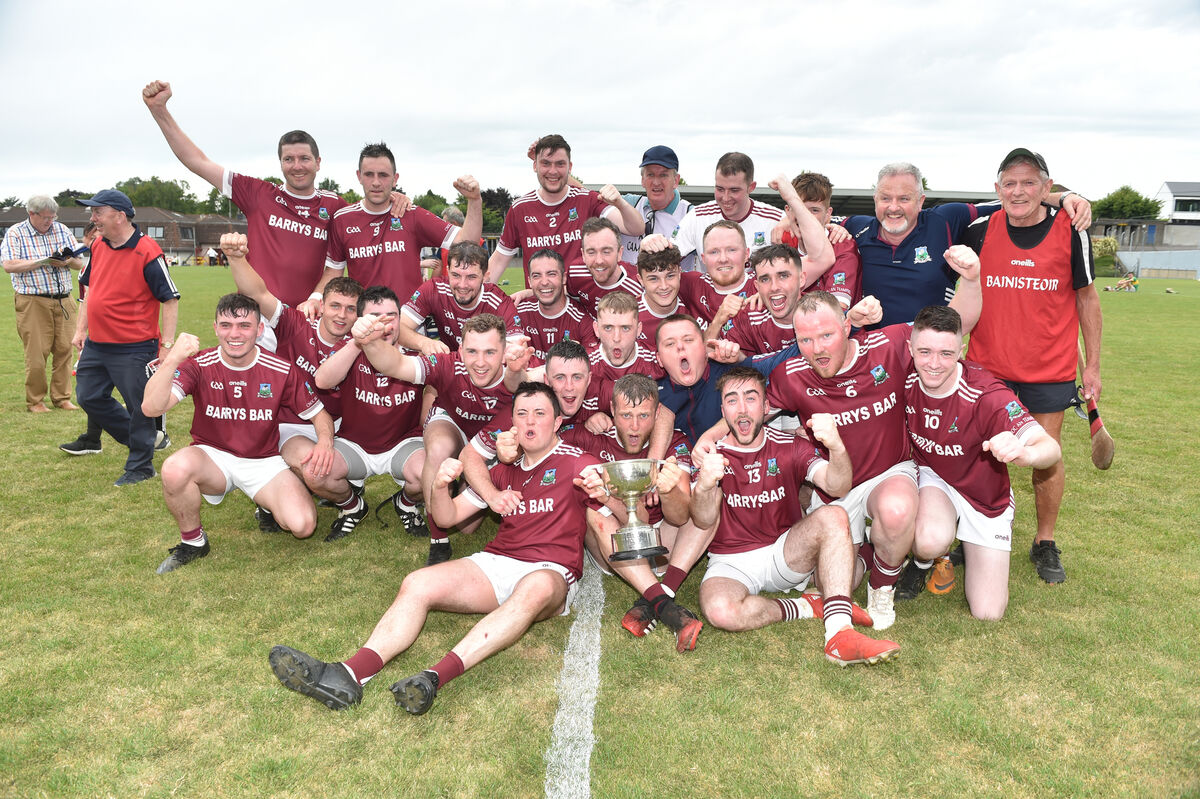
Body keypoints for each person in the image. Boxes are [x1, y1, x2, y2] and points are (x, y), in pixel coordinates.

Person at [268, 382, 610, 715]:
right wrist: (442, 486)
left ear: (557, 422)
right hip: (498, 562)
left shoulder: (579, 463)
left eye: (540, 413)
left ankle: (433, 678)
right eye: (522, 414)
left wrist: (607, 492)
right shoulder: (503, 470)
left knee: (534, 588)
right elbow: (448, 518)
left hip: (549, 573)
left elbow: (621, 515)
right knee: (418, 582)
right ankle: (348, 674)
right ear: (513, 423)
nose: (530, 421)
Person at [760, 256, 980, 630]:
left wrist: (972, 278)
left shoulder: (890, 344)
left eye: (827, 335)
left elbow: (957, 324)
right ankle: (862, 552)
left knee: (895, 511)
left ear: (847, 326)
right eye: (805, 340)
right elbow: (753, 418)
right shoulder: (790, 374)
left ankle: (883, 588)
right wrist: (711, 443)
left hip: (887, 472)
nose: (817, 348)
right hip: (835, 485)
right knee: (829, 584)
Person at [690, 367, 898, 666]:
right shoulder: (710, 455)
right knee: (721, 612)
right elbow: (703, 520)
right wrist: (706, 485)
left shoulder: (789, 444)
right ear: (723, 410)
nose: (743, 408)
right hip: (731, 560)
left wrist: (837, 447)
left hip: (784, 552)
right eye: (732, 400)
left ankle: (840, 634)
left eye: (751, 398)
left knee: (834, 516)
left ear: (765, 407)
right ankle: (804, 606)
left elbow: (838, 486)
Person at [960, 148, 1101, 584]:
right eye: (1010, 183)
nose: (1018, 191)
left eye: (1028, 183)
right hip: (987, 367)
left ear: (1046, 186)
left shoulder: (1070, 230)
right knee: (979, 453)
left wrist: (1092, 366)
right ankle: (974, 534)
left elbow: (1087, 301)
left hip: (1049, 368)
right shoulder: (980, 229)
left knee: (1046, 457)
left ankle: (1044, 541)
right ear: (997, 187)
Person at [141, 293, 335, 573]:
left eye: (244, 326)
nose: (234, 334)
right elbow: (151, 408)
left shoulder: (280, 369)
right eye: (226, 325)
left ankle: (265, 502)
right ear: (215, 328)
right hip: (213, 457)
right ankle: (193, 542)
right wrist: (171, 360)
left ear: (259, 330)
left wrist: (326, 442)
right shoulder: (199, 364)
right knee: (174, 468)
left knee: (302, 526)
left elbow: (319, 413)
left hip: (262, 461)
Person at [897, 305, 1062, 616]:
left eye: (946, 354)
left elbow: (1050, 448)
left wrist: (1025, 453)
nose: (934, 364)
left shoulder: (986, 394)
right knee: (929, 539)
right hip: (935, 478)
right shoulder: (902, 378)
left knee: (988, 612)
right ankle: (923, 562)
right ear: (910, 349)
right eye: (925, 352)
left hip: (984, 493)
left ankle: (970, 545)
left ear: (962, 350)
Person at [142, 80, 356, 308]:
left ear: (318, 162)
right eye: (288, 159)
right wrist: (159, 111)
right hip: (256, 317)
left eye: (304, 158)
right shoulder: (259, 194)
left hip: (306, 318)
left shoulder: (334, 205)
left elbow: (370, 216)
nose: (297, 166)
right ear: (280, 163)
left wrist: (397, 198)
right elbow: (197, 161)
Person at [353, 311, 528, 565]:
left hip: (489, 442)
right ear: (460, 348)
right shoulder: (447, 363)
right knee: (438, 450)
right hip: (453, 422)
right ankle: (438, 540)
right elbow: (396, 364)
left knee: (467, 527)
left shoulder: (515, 367)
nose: (480, 362)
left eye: (490, 352)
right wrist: (369, 342)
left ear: (504, 351)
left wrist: (516, 372)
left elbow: (523, 381)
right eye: (472, 352)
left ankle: (456, 484)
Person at [219, 232, 361, 532]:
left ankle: (349, 495)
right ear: (321, 305)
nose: (342, 315)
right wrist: (235, 258)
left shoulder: (359, 345)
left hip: (338, 426)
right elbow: (258, 294)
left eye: (351, 309)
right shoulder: (296, 324)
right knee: (311, 469)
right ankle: (350, 504)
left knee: (322, 471)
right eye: (335, 306)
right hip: (292, 423)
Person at [842, 162, 1091, 328]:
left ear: (920, 201)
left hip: (930, 360)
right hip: (872, 361)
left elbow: (1010, 201)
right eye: (885, 198)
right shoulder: (855, 228)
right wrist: (830, 228)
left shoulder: (945, 220)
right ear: (875, 199)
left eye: (904, 198)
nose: (893, 207)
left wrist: (1064, 196)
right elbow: (813, 222)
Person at [574, 374, 705, 652]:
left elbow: (681, 516)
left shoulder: (675, 442)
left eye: (644, 415)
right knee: (593, 513)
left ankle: (656, 598)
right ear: (611, 410)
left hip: (662, 543)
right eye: (626, 415)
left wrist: (669, 490)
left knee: (708, 502)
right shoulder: (592, 438)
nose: (634, 426)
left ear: (658, 413)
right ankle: (668, 610)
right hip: (614, 547)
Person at [73, 189, 179, 487]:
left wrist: (167, 345)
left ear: (119, 216)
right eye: (92, 213)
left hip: (134, 347)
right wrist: (81, 330)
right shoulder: (98, 246)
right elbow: (90, 289)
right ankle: (145, 439)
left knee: (140, 406)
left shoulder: (148, 251)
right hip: (97, 344)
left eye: (98, 212)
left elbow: (170, 299)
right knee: (88, 396)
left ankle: (141, 466)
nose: (93, 219)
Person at [308, 286, 426, 541]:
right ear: (361, 320)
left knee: (431, 473)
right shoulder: (349, 349)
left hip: (402, 444)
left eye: (391, 315)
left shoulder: (415, 354)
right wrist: (357, 341)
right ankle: (352, 507)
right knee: (314, 473)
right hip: (356, 445)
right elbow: (322, 381)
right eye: (375, 316)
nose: (385, 324)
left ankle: (406, 503)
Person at [317, 142, 483, 307]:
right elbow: (333, 272)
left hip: (409, 322)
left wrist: (474, 200)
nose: (376, 182)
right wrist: (314, 299)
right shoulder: (343, 219)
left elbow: (468, 241)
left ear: (395, 179)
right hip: (364, 325)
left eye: (383, 175)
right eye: (369, 174)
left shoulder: (412, 215)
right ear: (359, 176)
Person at [486, 134, 644, 283]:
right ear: (535, 165)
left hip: (583, 305)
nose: (553, 171)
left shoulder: (586, 199)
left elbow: (636, 228)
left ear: (570, 167)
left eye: (560, 164)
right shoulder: (520, 208)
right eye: (546, 163)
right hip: (541, 304)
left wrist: (620, 203)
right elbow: (499, 260)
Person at [2, 195, 83, 414]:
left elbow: (79, 262)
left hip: (64, 299)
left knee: (65, 349)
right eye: (45, 218)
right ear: (32, 214)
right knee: (37, 353)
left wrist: (67, 261)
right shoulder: (16, 233)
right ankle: (36, 401)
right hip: (32, 301)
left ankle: (62, 397)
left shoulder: (62, 230)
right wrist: (44, 261)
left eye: (52, 217)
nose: (50, 221)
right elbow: (9, 265)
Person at [397, 242, 521, 355]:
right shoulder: (434, 289)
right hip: (451, 367)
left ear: (485, 276)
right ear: (447, 271)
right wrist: (423, 343)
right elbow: (399, 327)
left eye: (471, 277)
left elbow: (518, 346)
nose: (462, 285)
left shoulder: (499, 302)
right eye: (455, 275)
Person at [669, 152, 785, 265]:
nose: (725, 198)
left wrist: (792, 216)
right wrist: (652, 242)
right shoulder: (697, 216)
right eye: (720, 189)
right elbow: (667, 256)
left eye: (734, 190)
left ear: (751, 187)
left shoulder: (776, 220)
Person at [775, 172, 862, 309]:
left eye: (814, 210)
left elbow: (837, 308)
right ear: (788, 210)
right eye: (800, 209)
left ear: (828, 215)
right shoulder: (782, 241)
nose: (805, 217)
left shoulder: (842, 245)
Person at [514, 248, 598, 365]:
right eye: (537, 276)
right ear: (529, 281)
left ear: (564, 278)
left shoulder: (583, 321)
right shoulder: (518, 312)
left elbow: (587, 369)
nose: (544, 282)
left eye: (551, 274)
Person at [618, 145, 695, 270]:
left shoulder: (690, 214)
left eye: (663, 175)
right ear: (642, 180)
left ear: (676, 180)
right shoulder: (628, 204)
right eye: (650, 175)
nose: (656, 182)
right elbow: (588, 198)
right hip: (629, 288)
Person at [565, 216, 644, 317]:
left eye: (606, 252)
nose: (599, 260)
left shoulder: (638, 287)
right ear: (583, 255)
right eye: (591, 252)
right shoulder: (575, 271)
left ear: (620, 253)